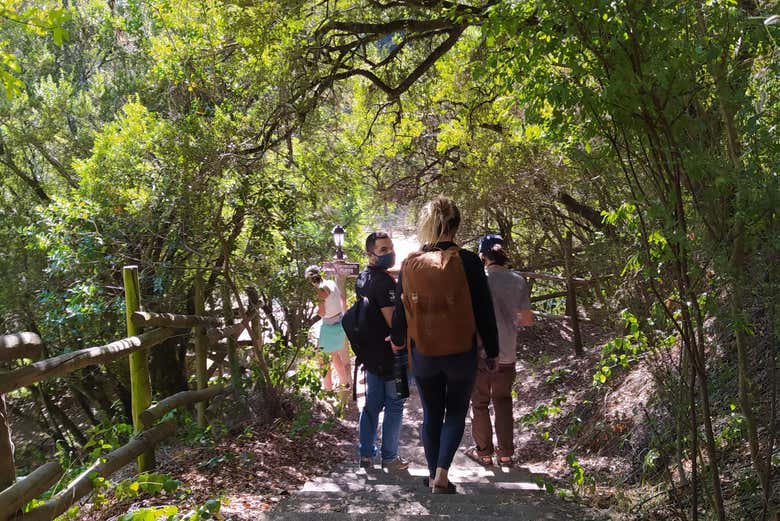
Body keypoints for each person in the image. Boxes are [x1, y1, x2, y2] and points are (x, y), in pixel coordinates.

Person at [391, 196, 499, 494]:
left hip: (424, 353)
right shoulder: (468, 262)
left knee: (432, 412)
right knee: (455, 412)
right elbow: (483, 309)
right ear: (457, 225)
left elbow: (401, 310)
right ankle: (442, 474)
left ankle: (431, 473)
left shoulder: (411, 263)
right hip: (461, 351)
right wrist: (492, 349)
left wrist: (399, 342)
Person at [467, 234, 533, 467]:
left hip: (481, 353)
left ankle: (484, 453)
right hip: (508, 352)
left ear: (482, 255)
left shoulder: (478, 280)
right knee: (503, 402)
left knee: (480, 403)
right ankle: (506, 454)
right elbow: (526, 319)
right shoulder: (517, 280)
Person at [354, 232, 408, 471]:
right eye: (383, 250)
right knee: (395, 405)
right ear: (371, 254)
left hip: (370, 353)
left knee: (372, 405)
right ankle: (390, 457)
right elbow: (392, 321)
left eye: (391, 248)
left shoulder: (363, 277)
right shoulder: (385, 283)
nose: (390, 253)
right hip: (391, 355)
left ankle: (366, 454)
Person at [305, 265, 351, 390]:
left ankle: (328, 389)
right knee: (335, 355)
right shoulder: (331, 282)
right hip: (340, 322)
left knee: (323, 359)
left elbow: (322, 313)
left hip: (329, 325)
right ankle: (344, 383)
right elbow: (342, 300)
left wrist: (314, 313)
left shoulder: (320, 290)